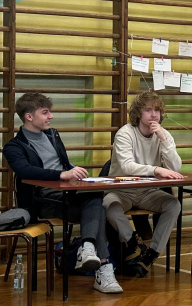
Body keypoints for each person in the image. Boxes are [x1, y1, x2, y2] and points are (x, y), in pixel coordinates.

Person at [3, 93, 122, 293]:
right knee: (98, 207)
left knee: (96, 197)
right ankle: (102, 268)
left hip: (67, 195)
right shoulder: (13, 146)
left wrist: (74, 170)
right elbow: (25, 171)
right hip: (43, 201)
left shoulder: (53, 135)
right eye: (45, 112)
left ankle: (88, 249)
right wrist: (62, 174)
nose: (50, 116)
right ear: (29, 116)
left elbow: (62, 164)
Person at [103, 91, 183, 278]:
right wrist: (156, 170)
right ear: (138, 113)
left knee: (173, 205)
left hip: (148, 192)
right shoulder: (125, 133)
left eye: (157, 110)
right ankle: (134, 243)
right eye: (148, 110)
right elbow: (127, 166)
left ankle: (151, 254)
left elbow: (175, 167)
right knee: (109, 207)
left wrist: (164, 140)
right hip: (121, 190)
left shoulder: (164, 135)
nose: (154, 115)